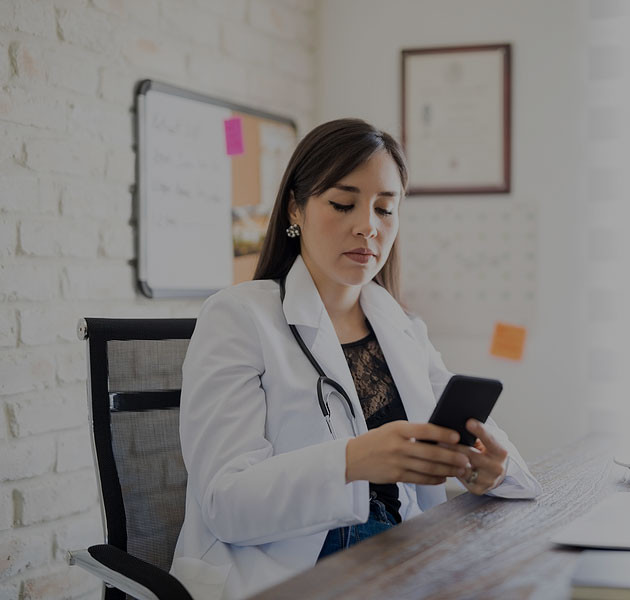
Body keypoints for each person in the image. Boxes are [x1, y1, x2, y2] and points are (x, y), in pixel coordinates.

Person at [171, 119, 542, 600]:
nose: (368, 225)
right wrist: (353, 461)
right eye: (343, 204)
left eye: (385, 209)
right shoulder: (238, 317)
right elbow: (226, 503)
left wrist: (492, 467)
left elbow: (492, 442)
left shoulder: (402, 326)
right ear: (295, 209)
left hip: (399, 555)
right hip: (285, 572)